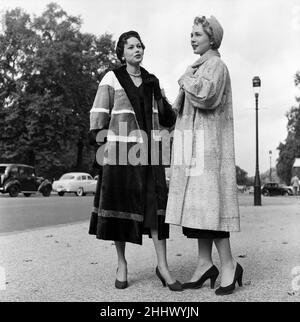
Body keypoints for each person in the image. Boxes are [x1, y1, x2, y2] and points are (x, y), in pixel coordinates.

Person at [88, 31, 182, 291]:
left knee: (156, 210)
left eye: (139, 46)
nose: (137, 50)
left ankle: (163, 266)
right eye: (130, 47)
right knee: (120, 209)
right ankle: (122, 263)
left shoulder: (152, 80)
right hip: (120, 154)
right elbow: (98, 116)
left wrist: (166, 97)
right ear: (122, 53)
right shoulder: (112, 78)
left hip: (151, 152)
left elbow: (167, 118)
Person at [165, 15, 243, 296]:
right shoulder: (197, 66)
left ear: (212, 38)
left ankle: (229, 264)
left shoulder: (216, 65)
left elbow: (207, 96)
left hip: (208, 146)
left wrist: (186, 78)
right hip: (191, 145)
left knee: (211, 207)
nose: (193, 38)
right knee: (197, 209)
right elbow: (179, 108)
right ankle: (203, 264)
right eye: (191, 34)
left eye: (198, 34)